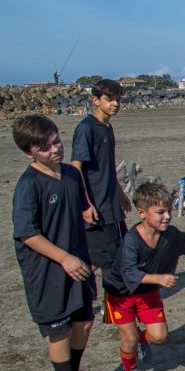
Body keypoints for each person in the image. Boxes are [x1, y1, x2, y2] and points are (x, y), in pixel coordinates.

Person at [12, 114, 104, 371]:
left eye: (56, 141)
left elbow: (76, 212)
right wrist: (63, 258)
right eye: (45, 147)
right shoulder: (29, 185)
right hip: (48, 268)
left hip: (77, 261)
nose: (55, 149)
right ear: (29, 152)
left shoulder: (70, 174)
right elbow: (27, 233)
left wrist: (88, 218)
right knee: (59, 329)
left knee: (85, 321)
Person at [102, 182, 185, 371]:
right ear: (141, 213)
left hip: (148, 293)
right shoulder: (131, 240)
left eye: (169, 211)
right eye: (160, 212)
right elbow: (130, 273)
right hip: (121, 295)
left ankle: (142, 340)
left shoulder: (169, 234)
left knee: (160, 336)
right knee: (128, 337)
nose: (167, 216)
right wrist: (159, 279)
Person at [71, 78, 131, 279]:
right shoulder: (86, 128)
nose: (115, 104)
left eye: (117, 100)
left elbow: (107, 167)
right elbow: (76, 168)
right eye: (109, 99)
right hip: (96, 207)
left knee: (119, 252)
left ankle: (113, 303)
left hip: (110, 205)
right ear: (95, 100)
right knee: (105, 260)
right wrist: (85, 204)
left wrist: (120, 193)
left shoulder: (107, 128)